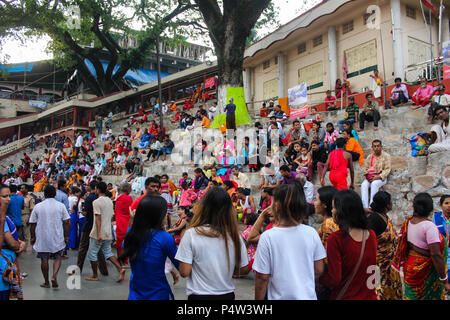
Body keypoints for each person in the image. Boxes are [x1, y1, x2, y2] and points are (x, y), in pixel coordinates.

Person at [253, 182, 326, 300]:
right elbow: (319, 269)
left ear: (276, 207)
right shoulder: (311, 233)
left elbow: (262, 277)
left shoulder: (268, 237)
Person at [175, 187, 249, 300]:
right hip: (226, 295)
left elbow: (184, 272)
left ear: (203, 208)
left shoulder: (191, 234)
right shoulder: (235, 236)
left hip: (199, 295)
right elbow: (243, 268)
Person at [319, 189, 378, 300]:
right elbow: (373, 269)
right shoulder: (371, 235)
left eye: (334, 207)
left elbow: (334, 279)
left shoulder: (335, 239)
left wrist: (319, 278)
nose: (332, 211)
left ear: (342, 211)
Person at [119, 196, 179, 300]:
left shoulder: (131, 233)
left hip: (135, 294)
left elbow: (125, 247)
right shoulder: (164, 237)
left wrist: (132, 223)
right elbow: (181, 267)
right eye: (165, 213)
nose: (166, 215)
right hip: (158, 294)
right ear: (157, 216)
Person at [392, 193, 450, 299]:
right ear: (430, 208)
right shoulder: (429, 226)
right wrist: (444, 280)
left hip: (410, 268)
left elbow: (411, 246)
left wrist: (415, 248)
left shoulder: (409, 222)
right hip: (425, 272)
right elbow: (435, 254)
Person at [29, 185, 70, 289]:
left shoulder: (38, 206)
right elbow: (66, 222)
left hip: (42, 236)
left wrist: (32, 237)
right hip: (57, 235)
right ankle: (54, 276)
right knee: (58, 257)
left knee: (44, 259)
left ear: (44, 194)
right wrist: (66, 236)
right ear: (55, 194)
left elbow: (32, 223)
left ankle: (46, 282)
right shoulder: (60, 206)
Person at [86, 182, 126, 282]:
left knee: (92, 254)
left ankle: (95, 275)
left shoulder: (96, 202)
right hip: (108, 230)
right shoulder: (109, 201)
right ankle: (120, 269)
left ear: (98, 189)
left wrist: (99, 233)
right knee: (108, 252)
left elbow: (98, 218)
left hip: (98, 232)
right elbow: (111, 215)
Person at [367, 191, 403, 300]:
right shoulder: (374, 219)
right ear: (387, 204)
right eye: (391, 201)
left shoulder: (385, 217)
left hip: (389, 266)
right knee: (376, 293)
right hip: (376, 266)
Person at [76, 181, 108, 276]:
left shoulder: (90, 198)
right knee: (99, 249)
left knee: (83, 248)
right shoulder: (105, 199)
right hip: (101, 225)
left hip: (89, 224)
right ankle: (104, 270)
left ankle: (78, 269)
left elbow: (85, 212)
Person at [0, 184, 24, 300]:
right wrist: (19, 245)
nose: (8, 199)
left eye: (9, 196)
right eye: (4, 196)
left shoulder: (6, 217)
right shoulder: (2, 219)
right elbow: (12, 244)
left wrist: (20, 243)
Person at [361, 140, 391, 209]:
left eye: (378, 146)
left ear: (381, 147)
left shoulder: (386, 156)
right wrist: (368, 175)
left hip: (381, 178)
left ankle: (372, 206)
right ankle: (365, 207)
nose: (376, 148)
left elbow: (387, 169)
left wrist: (378, 176)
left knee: (374, 184)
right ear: (372, 147)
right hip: (371, 177)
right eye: (374, 146)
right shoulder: (369, 157)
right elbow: (365, 169)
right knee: (364, 185)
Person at [432, 195, 450, 280]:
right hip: (441, 254)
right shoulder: (436, 217)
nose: (449, 205)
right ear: (441, 205)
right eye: (446, 203)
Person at [115, 182, 133, 262]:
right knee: (125, 243)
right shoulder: (127, 198)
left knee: (119, 243)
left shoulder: (118, 197)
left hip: (119, 222)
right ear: (127, 189)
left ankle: (120, 258)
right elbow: (130, 211)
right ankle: (124, 260)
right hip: (126, 223)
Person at [19, 184, 34, 251]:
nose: (21, 190)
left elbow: (32, 209)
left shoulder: (30, 198)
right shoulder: (20, 197)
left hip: (26, 215)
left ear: (27, 189)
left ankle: (27, 248)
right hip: (20, 216)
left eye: (23, 188)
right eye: (21, 188)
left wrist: (29, 219)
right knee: (20, 233)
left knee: (26, 233)